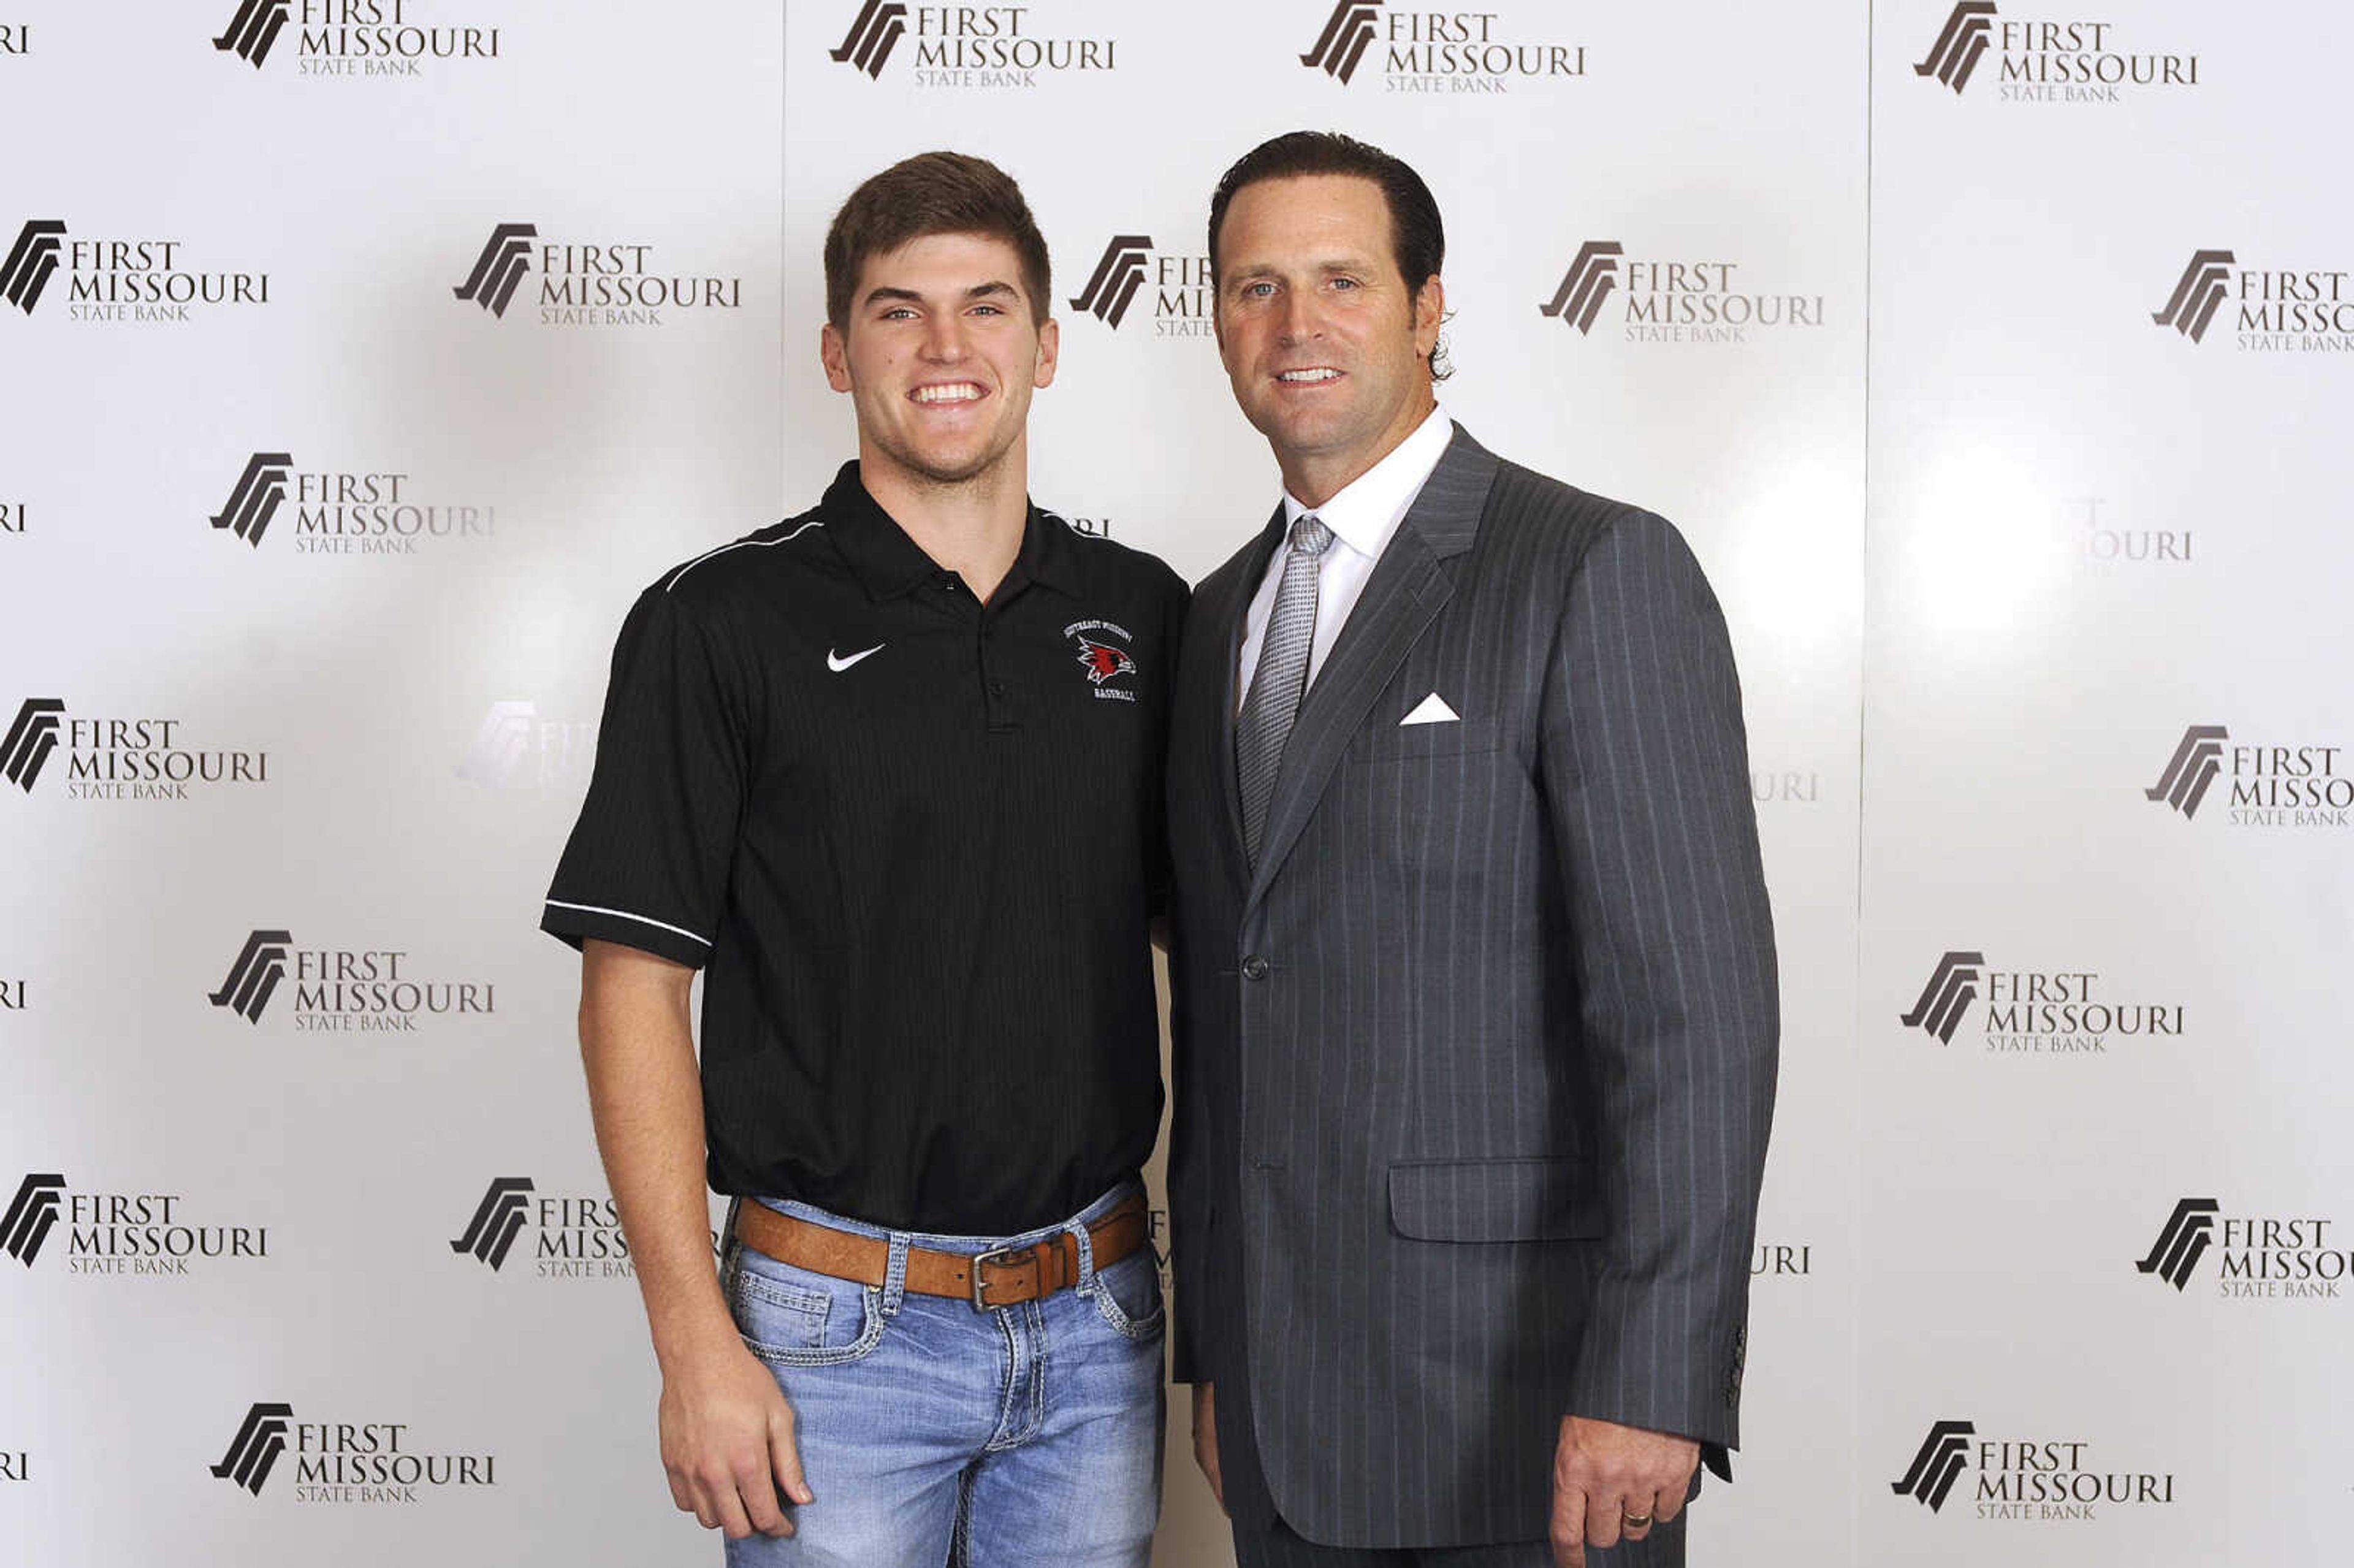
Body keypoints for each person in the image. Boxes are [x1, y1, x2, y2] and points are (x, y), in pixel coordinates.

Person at [541, 150, 1187, 1566]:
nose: (947, 349)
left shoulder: (1141, 613)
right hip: (833, 1334)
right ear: (838, 351)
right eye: (900, 312)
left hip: (1100, 1321)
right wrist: (691, 1344)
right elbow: (633, 988)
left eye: (987, 306)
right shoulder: (717, 620)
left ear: (1050, 343)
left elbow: (1212, 946)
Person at [1164, 131, 1779, 1568]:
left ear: (1431, 307)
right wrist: (1219, 1358)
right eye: (1254, 287)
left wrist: (1656, 1379)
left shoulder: (1592, 569)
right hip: (1277, 1418)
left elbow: (1694, 1019)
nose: (1294, 326)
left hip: (1529, 1420)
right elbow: (1227, 994)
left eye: (1340, 280)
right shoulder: (1211, 623)